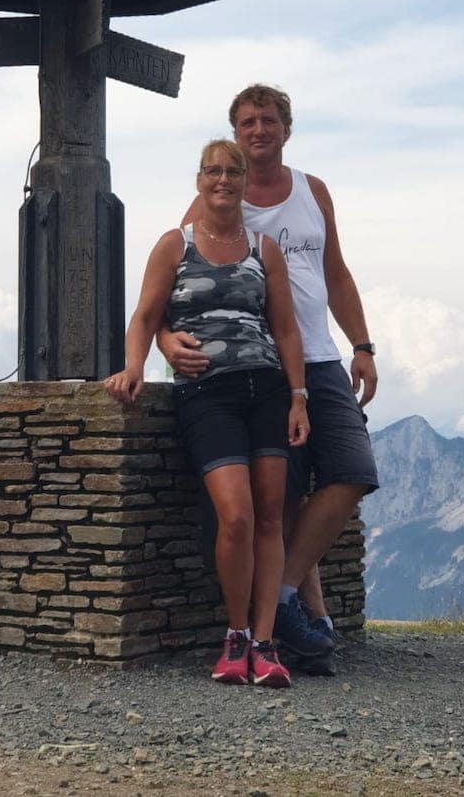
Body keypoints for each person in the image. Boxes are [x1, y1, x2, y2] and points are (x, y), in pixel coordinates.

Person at [160, 85, 379, 673]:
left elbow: (336, 273)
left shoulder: (313, 191)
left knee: (352, 470)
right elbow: (178, 281)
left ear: (286, 128)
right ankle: (299, 624)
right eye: (248, 122)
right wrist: (164, 340)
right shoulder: (217, 194)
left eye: (269, 120)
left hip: (319, 358)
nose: (258, 130)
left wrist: (361, 345)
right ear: (235, 133)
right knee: (280, 498)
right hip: (256, 365)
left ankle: (279, 600)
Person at [104, 138, 310, 687]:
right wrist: (134, 367)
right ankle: (235, 635)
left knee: (270, 517)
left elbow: (286, 329)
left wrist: (298, 397)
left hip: (267, 388)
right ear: (199, 181)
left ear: (244, 182)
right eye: (213, 172)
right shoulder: (176, 244)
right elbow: (145, 316)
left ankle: (264, 644)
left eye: (232, 172)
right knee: (236, 515)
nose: (223, 181)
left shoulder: (265, 249)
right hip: (207, 392)